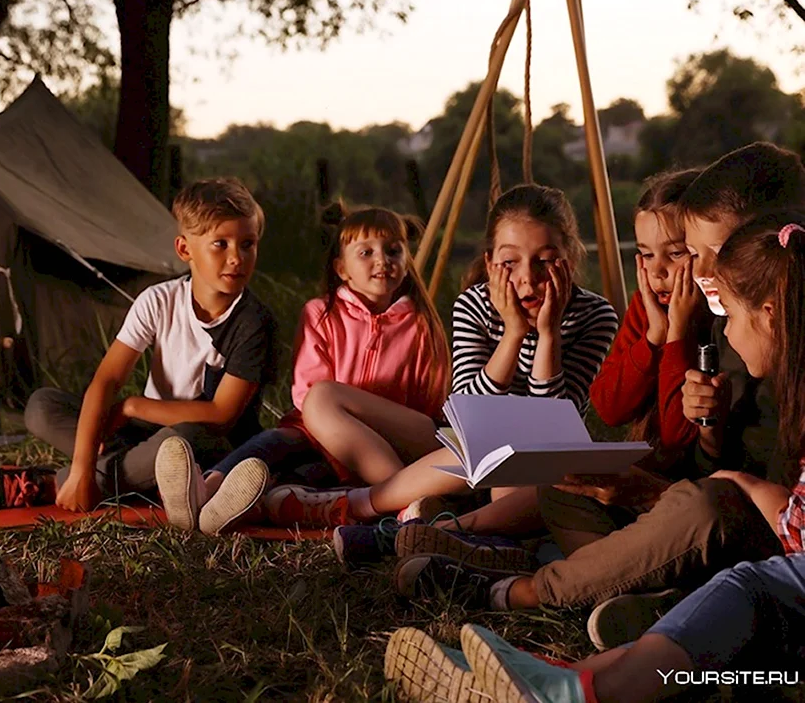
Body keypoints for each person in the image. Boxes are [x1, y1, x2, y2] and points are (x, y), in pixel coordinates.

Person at [393, 142, 803, 653]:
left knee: (701, 505)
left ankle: (520, 588)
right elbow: (619, 412)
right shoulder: (732, 326)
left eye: (697, 254)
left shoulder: (750, 329)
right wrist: (708, 436)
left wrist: (655, 488)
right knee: (565, 483)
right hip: (704, 504)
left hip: (753, 531)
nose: (689, 272)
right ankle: (653, 595)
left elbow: (764, 506)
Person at [263, 185, 618, 543]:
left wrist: (549, 335)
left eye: (545, 260)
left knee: (527, 483)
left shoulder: (596, 315)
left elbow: (554, 420)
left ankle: (425, 527)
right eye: (510, 262)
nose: (528, 276)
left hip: (536, 459)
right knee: (322, 397)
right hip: (462, 445)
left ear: (569, 259)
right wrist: (512, 335)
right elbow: (466, 411)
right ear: (491, 262)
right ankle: (403, 507)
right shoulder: (474, 305)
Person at [165, 202, 450, 534]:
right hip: (319, 429)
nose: (382, 260)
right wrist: (341, 434)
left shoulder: (419, 324)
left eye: (393, 251)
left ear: (406, 261)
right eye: (366, 253)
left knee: (310, 455)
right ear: (342, 269)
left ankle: (396, 497)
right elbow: (306, 393)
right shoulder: (321, 313)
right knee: (274, 443)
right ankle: (207, 490)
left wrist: (381, 430)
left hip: (388, 440)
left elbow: (429, 399)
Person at [19, 178, 277, 515]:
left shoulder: (254, 322)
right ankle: (124, 478)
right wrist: (83, 464)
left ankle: (52, 483)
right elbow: (107, 380)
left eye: (247, 244)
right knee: (42, 406)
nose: (236, 258)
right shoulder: (159, 300)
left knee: (178, 442)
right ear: (185, 250)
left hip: (206, 441)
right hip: (141, 435)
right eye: (220, 244)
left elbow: (221, 415)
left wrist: (132, 407)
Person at [589, 169, 706, 465]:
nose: (657, 271)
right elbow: (608, 408)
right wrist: (654, 335)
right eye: (648, 255)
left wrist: (676, 333)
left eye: (676, 253)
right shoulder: (647, 307)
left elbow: (676, 438)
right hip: (649, 464)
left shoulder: (721, 315)